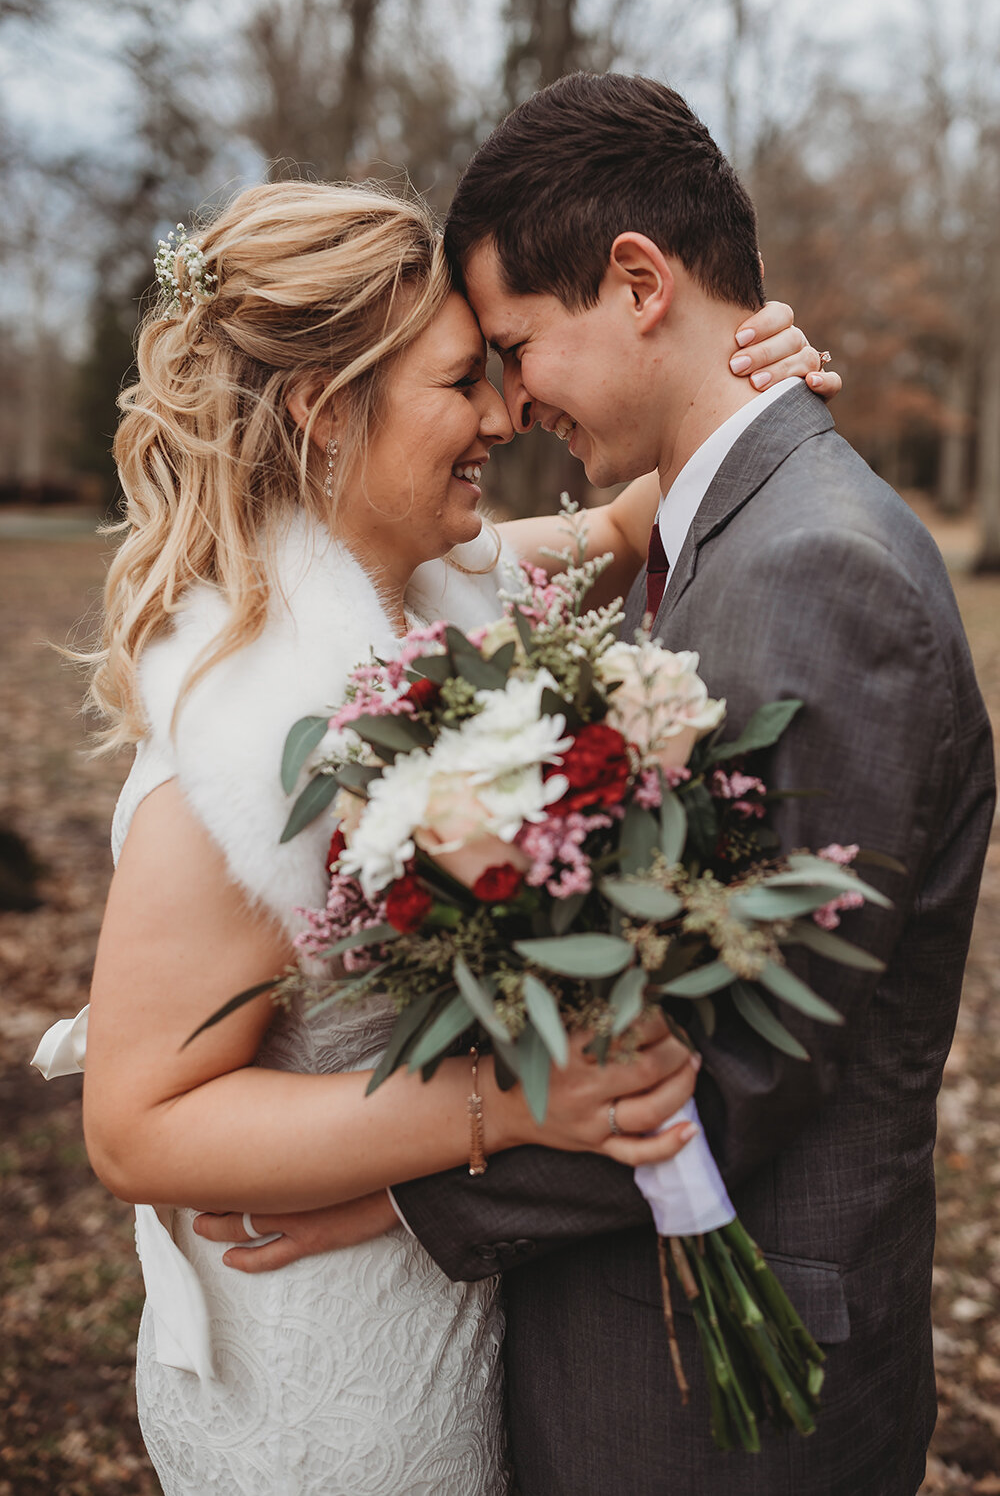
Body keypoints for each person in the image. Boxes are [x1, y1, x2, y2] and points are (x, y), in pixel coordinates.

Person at [31, 177, 827, 1494]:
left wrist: (752, 371)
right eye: (465, 381)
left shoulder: (432, 596)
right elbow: (135, 1129)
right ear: (326, 412)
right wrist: (521, 1102)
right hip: (322, 1393)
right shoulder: (255, 731)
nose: (507, 414)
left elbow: (630, 522)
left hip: (438, 1314)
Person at [373, 75, 993, 1496]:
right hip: (648, 1358)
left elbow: (728, 1069)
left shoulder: (814, 569)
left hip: (717, 1412)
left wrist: (371, 1190)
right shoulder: (723, 526)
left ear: (639, 280)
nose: (514, 404)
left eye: (520, 347)